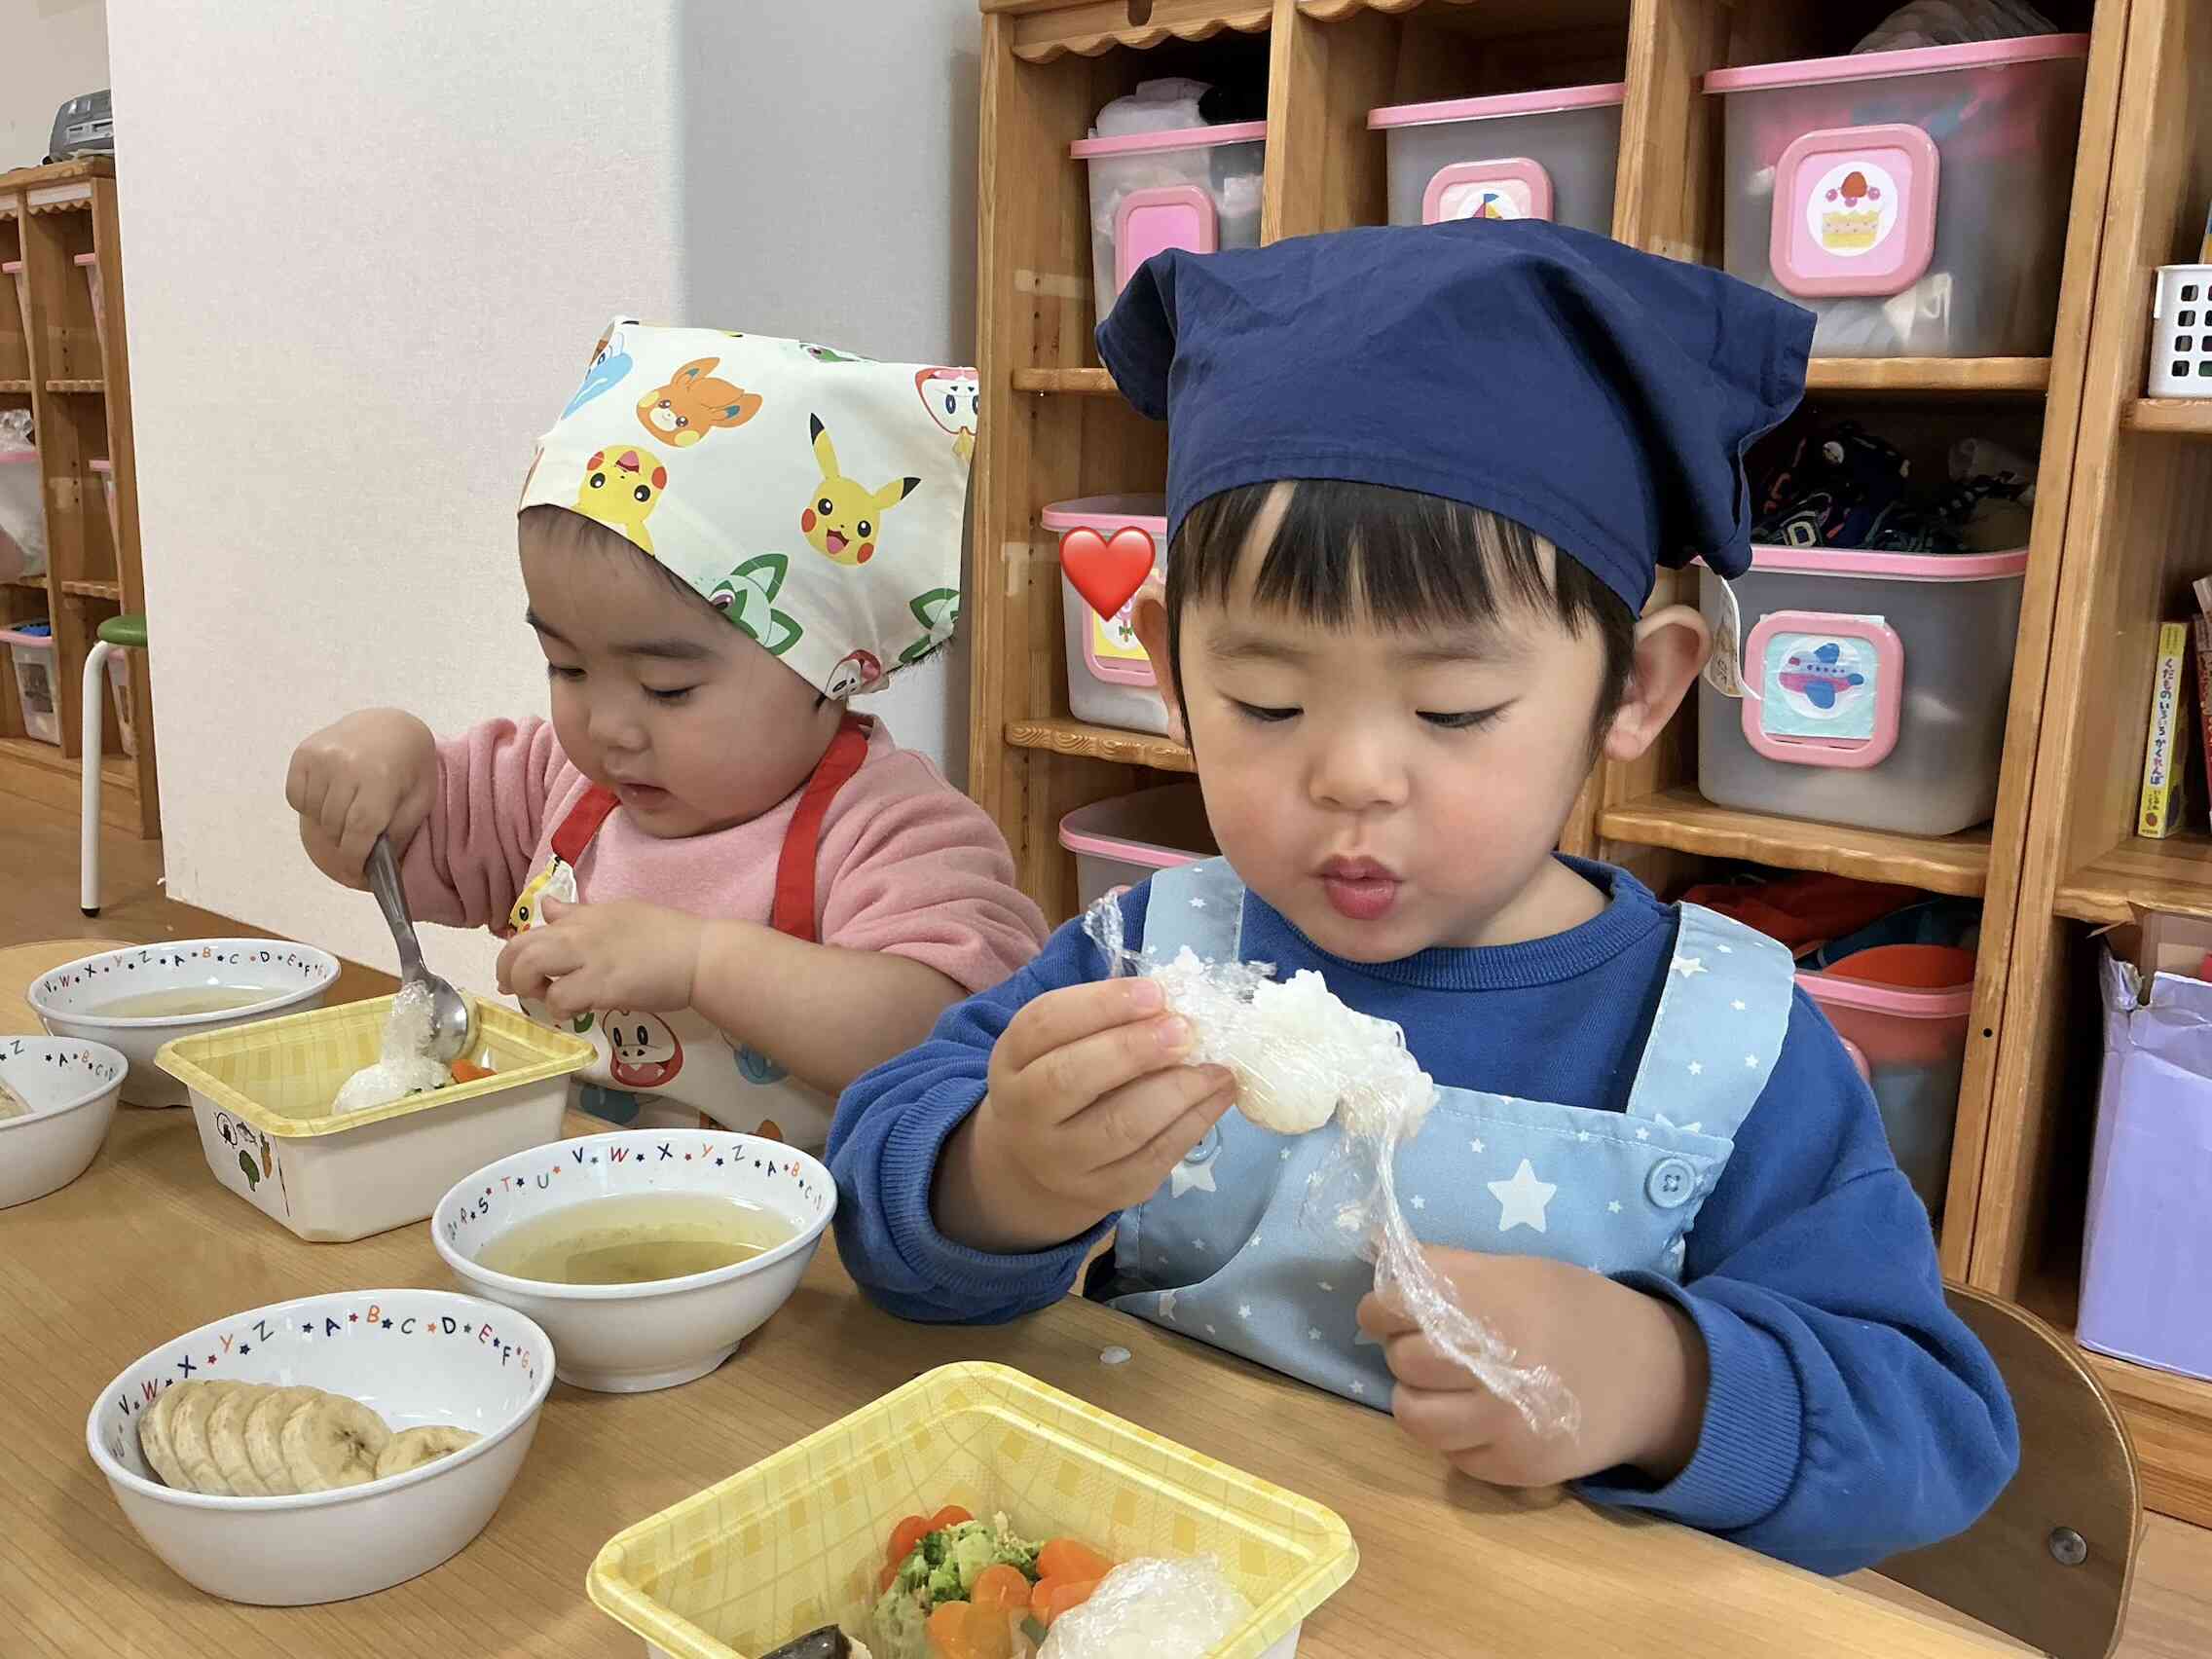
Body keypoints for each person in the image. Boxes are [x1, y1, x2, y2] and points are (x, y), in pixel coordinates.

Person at [828, 223, 2016, 1572]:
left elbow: (1930, 1428)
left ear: (1637, 689)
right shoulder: (1146, 952)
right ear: (1166, 667)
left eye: (1454, 707)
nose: (1349, 778)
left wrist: (1662, 1382)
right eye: (1264, 701)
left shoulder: (1732, 1044)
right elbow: (878, 1193)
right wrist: (998, 1178)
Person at [287, 321, 1047, 1146]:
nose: (609, 727)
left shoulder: (894, 831)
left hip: (796, 1253)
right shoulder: (557, 784)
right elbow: (381, 850)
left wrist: (701, 964)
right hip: (561, 1206)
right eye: (567, 666)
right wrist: (376, 766)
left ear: (829, 667)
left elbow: (940, 1029)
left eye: (667, 687)